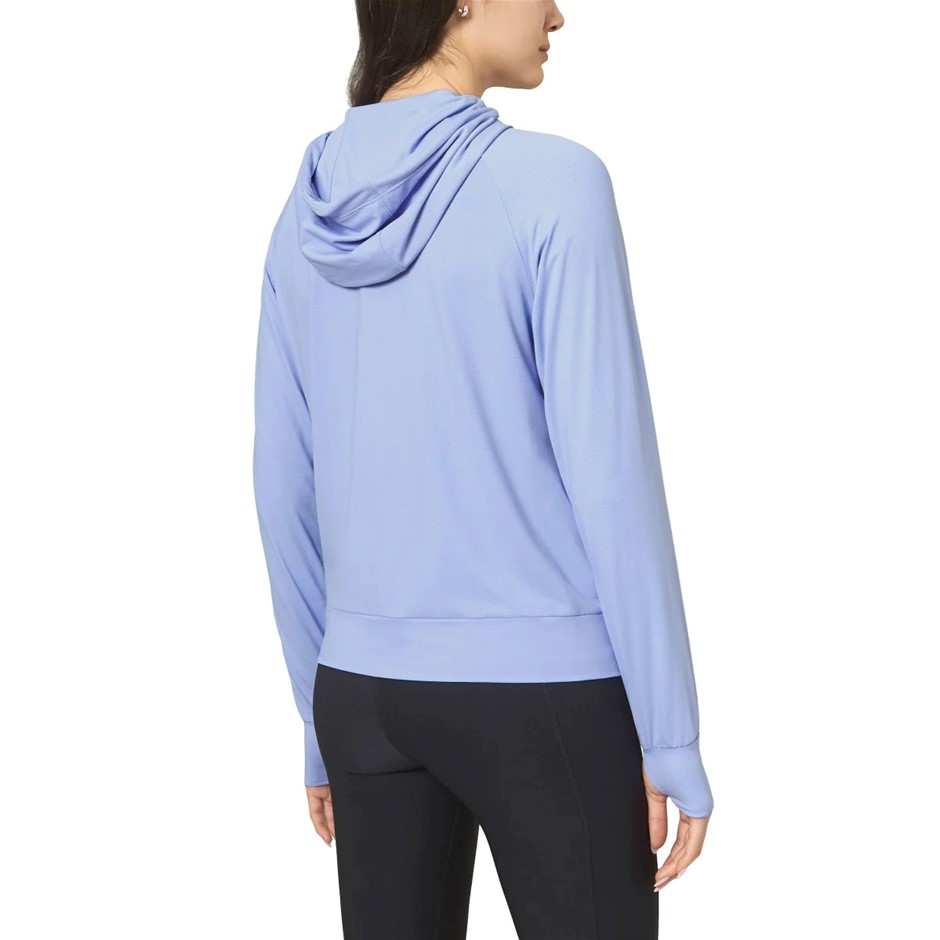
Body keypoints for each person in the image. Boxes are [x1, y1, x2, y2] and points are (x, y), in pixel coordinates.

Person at [252, 1, 714, 937]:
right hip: (544, 691)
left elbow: (281, 485)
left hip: (361, 695)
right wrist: (670, 734)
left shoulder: (305, 213)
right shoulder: (556, 184)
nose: (557, 13)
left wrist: (316, 716)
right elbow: (611, 479)